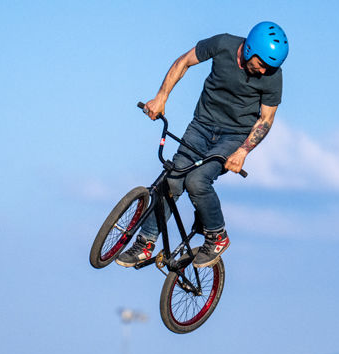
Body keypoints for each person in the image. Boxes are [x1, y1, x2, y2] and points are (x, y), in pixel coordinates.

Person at [117, 21, 288, 268]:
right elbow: (183, 61)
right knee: (172, 181)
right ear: (250, 49)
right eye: (261, 64)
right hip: (201, 126)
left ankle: (217, 235)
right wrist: (161, 97)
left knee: (197, 181)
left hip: (234, 136)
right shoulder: (223, 44)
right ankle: (145, 244)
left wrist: (242, 152)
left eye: (269, 68)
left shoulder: (273, 76)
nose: (264, 72)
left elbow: (266, 119)